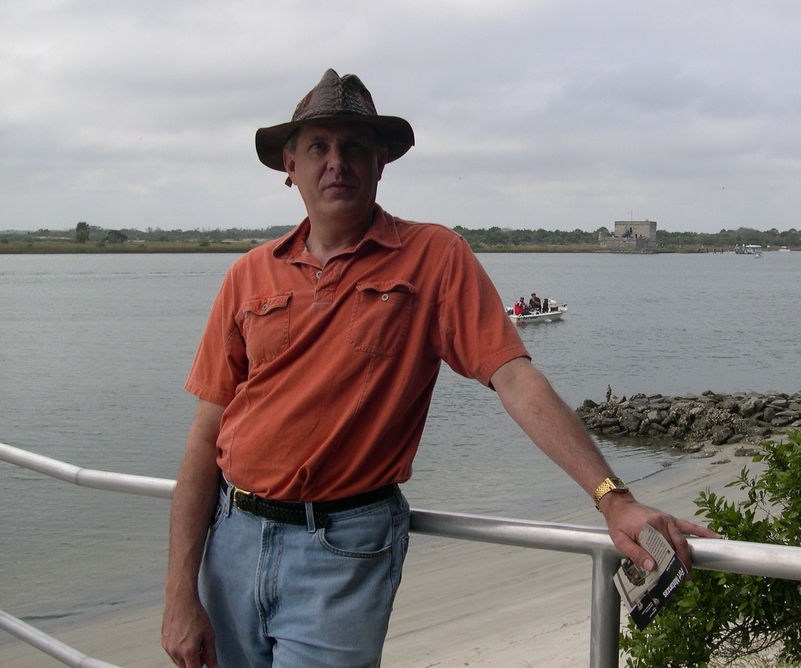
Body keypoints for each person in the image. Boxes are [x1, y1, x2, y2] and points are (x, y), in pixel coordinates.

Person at [161, 69, 716, 668]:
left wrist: (613, 498)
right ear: (289, 166)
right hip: (233, 539)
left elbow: (514, 377)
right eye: (318, 147)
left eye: (354, 148)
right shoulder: (248, 274)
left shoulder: (433, 257)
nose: (336, 163)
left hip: (342, 547)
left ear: (380, 163)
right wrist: (177, 592)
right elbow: (206, 432)